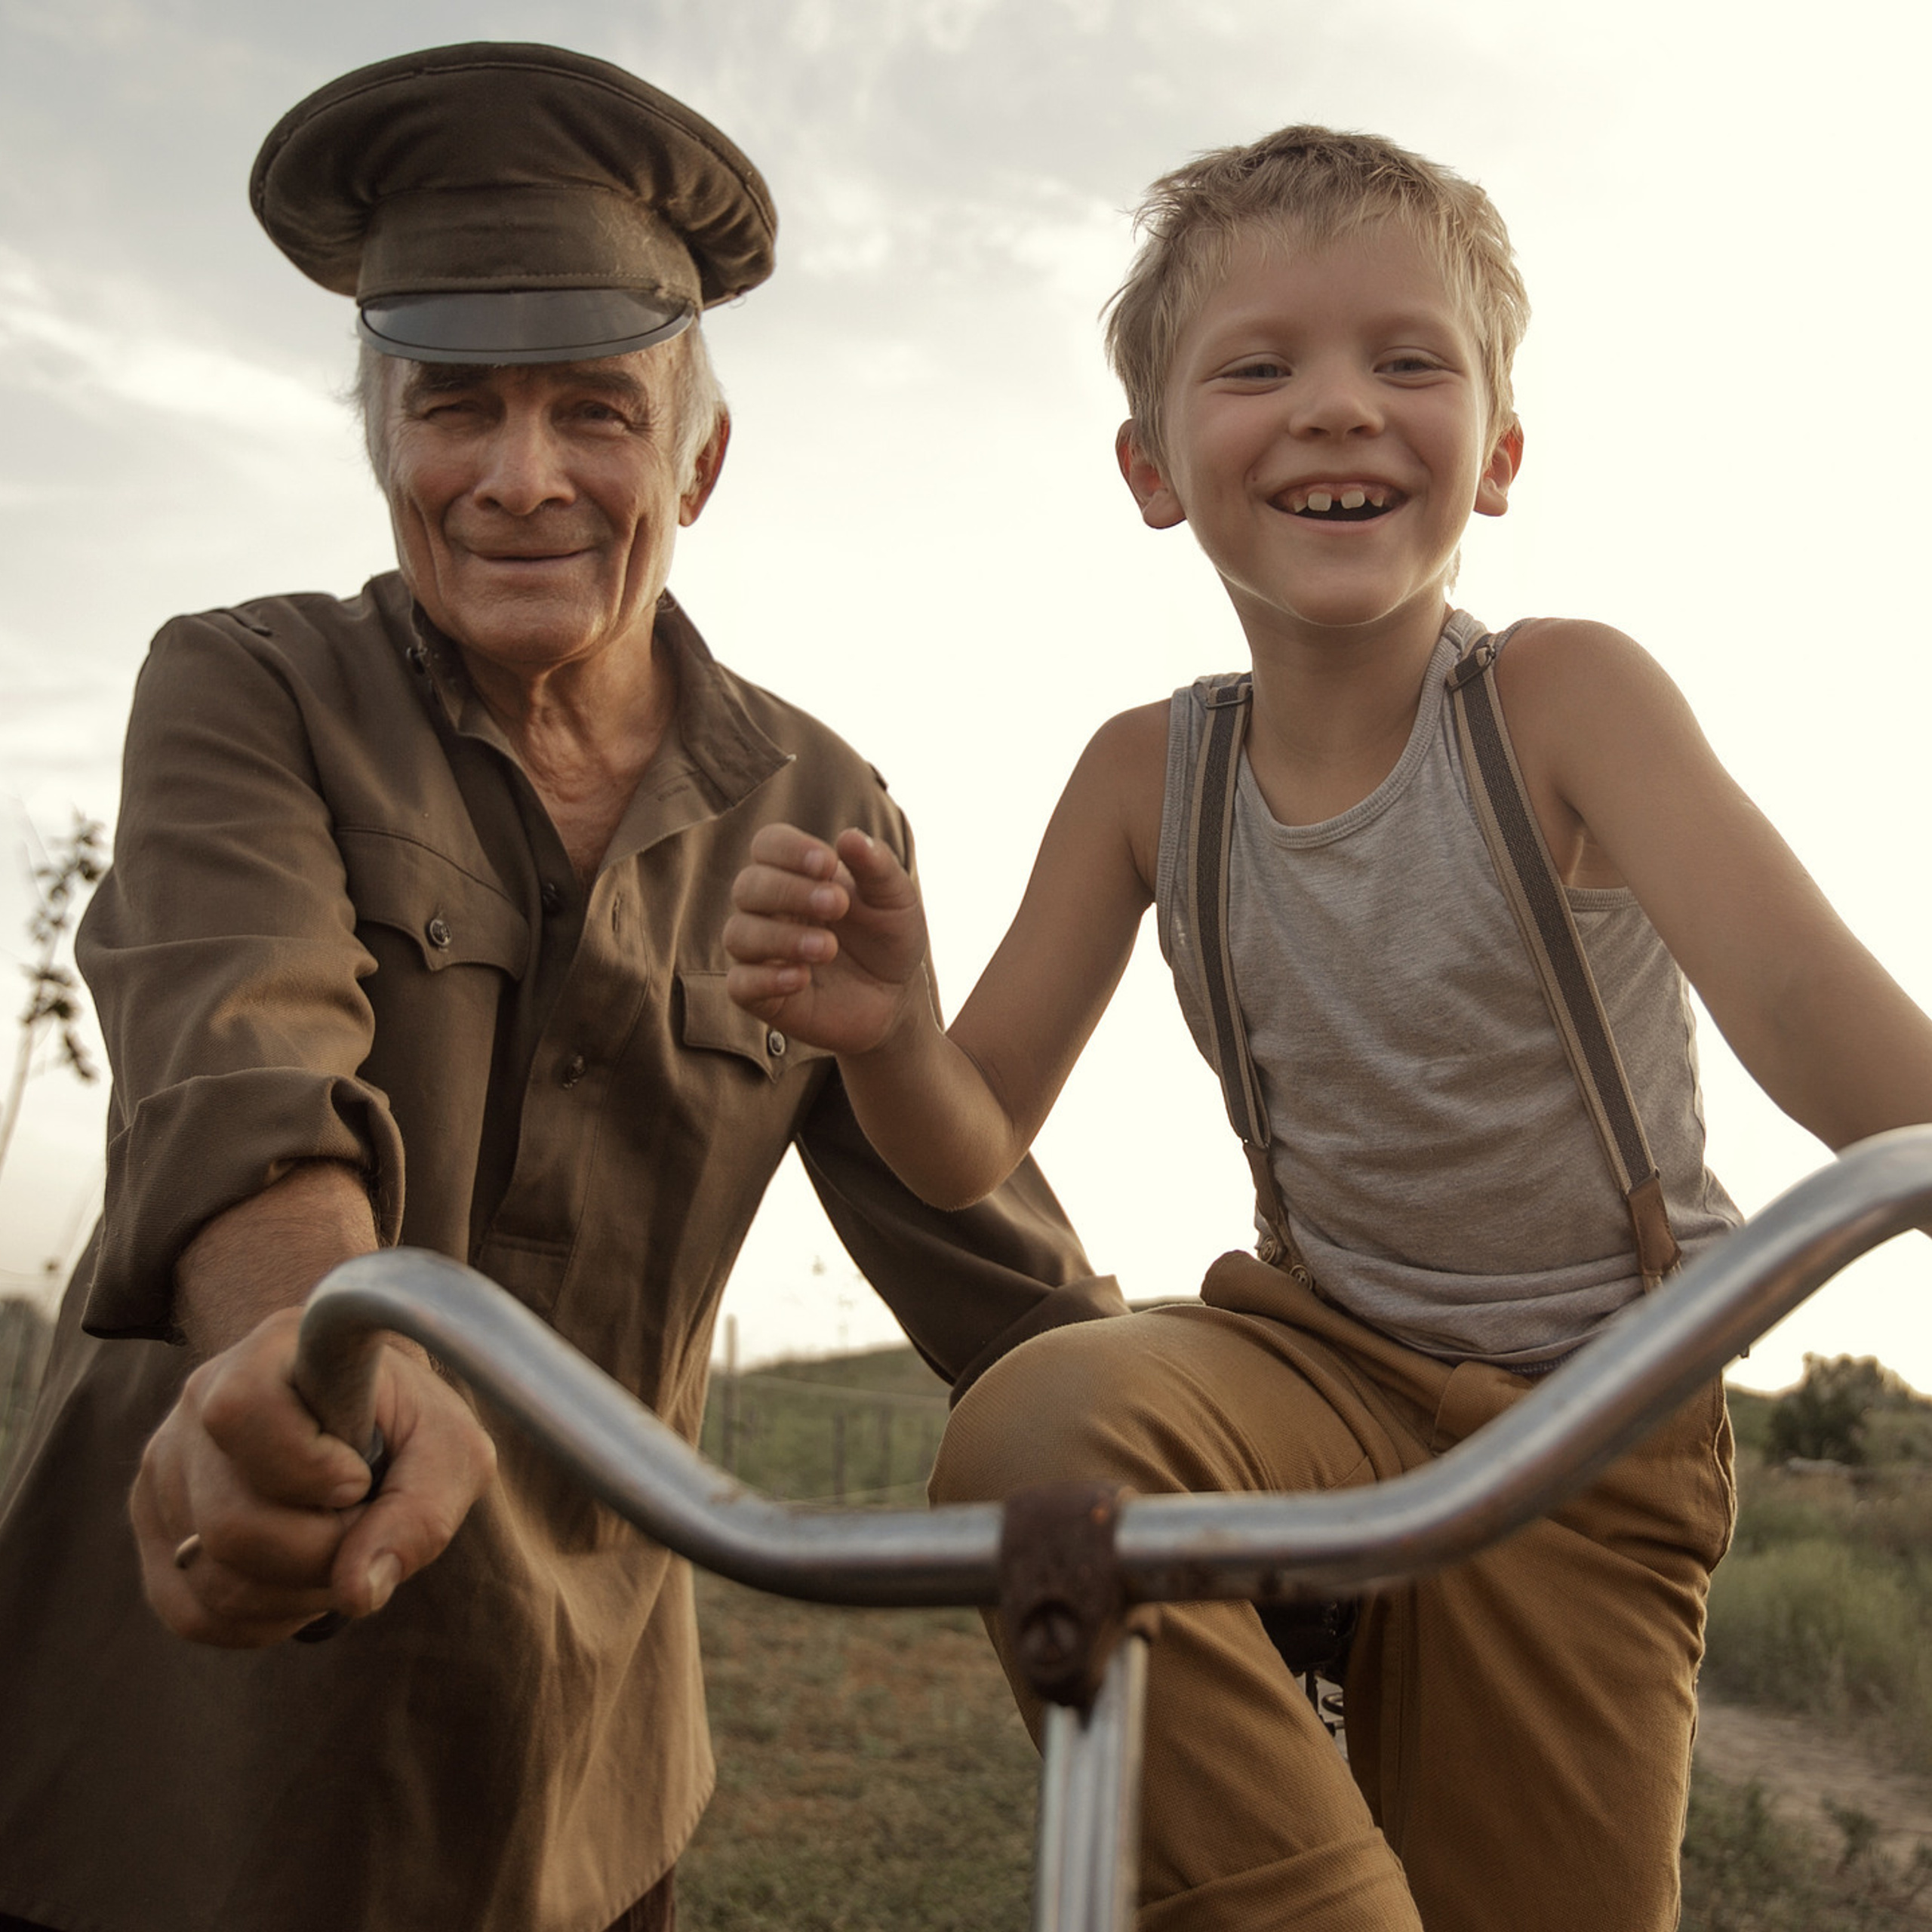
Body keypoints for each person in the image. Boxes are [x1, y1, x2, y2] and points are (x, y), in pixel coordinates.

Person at [724, 125, 1932, 1930]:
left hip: (1589, 1419)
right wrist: (887, 1027)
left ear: (1497, 454)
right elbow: (966, 1136)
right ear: (1150, 466)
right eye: (1259, 365)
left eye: (1406, 359)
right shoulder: (1146, 773)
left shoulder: (1561, 699)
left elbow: (1813, 1022)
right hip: (1318, 1368)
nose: (1338, 407)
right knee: (1036, 1428)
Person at [0, 43, 1123, 1932]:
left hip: (571, 1789)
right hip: (164, 1765)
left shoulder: (819, 803)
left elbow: (991, 1262)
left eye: (595, 411)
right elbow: (245, 1069)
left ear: (697, 453)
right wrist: (298, 1357)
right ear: (384, 442)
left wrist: (1227, 1448)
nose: (522, 478)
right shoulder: (242, 689)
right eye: (455, 408)